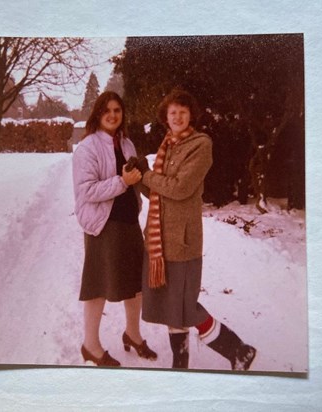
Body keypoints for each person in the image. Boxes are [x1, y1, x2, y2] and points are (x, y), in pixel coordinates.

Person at [135, 88, 257, 370]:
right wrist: (139, 174)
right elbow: (156, 193)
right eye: (172, 112)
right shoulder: (168, 145)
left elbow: (179, 188)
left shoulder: (200, 144)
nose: (177, 117)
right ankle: (181, 363)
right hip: (159, 240)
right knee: (170, 307)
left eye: (182, 112)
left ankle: (239, 350)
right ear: (165, 117)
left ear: (191, 116)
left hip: (183, 242)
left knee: (184, 306)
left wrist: (148, 175)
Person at [72, 91, 157, 367]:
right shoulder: (87, 148)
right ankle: (91, 346)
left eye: (117, 110)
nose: (112, 115)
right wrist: (122, 182)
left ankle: (132, 334)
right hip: (103, 226)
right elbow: (86, 191)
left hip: (129, 222)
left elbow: (139, 179)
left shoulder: (128, 144)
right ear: (98, 114)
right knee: (98, 286)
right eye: (107, 110)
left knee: (135, 285)